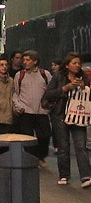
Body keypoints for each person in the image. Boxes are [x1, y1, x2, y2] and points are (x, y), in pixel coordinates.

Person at [42, 52, 91, 187]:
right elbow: (49, 94)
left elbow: (87, 93)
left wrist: (83, 86)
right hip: (60, 115)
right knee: (63, 146)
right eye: (74, 63)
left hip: (78, 115)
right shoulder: (58, 76)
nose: (77, 66)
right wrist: (65, 88)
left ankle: (86, 176)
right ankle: (64, 175)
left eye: (79, 63)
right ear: (67, 65)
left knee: (81, 146)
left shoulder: (83, 76)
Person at [13, 50, 52, 166]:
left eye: (28, 60)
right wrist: (18, 105)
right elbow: (16, 93)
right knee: (27, 137)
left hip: (41, 111)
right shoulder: (20, 75)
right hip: (25, 111)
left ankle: (41, 156)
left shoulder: (45, 74)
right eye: (24, 60)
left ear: (35, 61)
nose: (25, 62)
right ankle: (32, 158)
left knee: (45, 135)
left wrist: (48, 106)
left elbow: (51, 91)